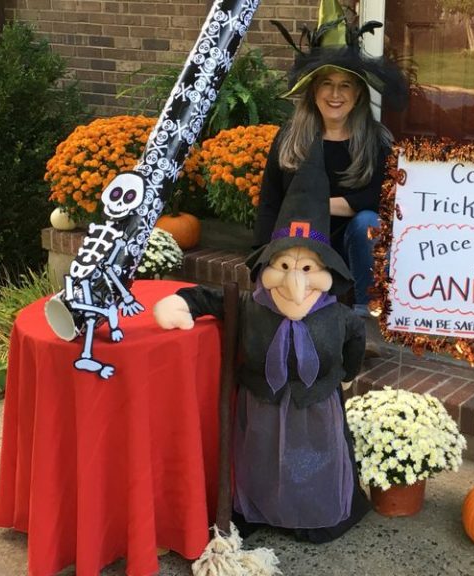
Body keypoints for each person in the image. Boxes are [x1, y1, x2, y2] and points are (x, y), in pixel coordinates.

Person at [154, 134, 370, 544]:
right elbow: (209, 297)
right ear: (267, 266)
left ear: (326, 273)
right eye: (285, 265)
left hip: (316, 407)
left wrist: (346, 374)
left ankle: (314, 515)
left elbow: (355, 343)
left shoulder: (339, 317)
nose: (294, 280)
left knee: (315, 460)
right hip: (260, 405)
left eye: (307, 267)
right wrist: (181, 303)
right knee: (259, 459)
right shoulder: (250, 304)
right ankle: (258, 509)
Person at [255, 0, 408, 318]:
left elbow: (381, 198)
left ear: (358, 95)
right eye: (326, 83)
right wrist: (260, 256)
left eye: (344, 85)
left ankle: (364, 314)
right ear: (313, 91)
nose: (334, 94)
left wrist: (312, 204)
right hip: (300, 244)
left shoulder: (376, 140)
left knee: (369, 223)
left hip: (349, 245)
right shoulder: (290, 137)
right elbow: (271, 201)